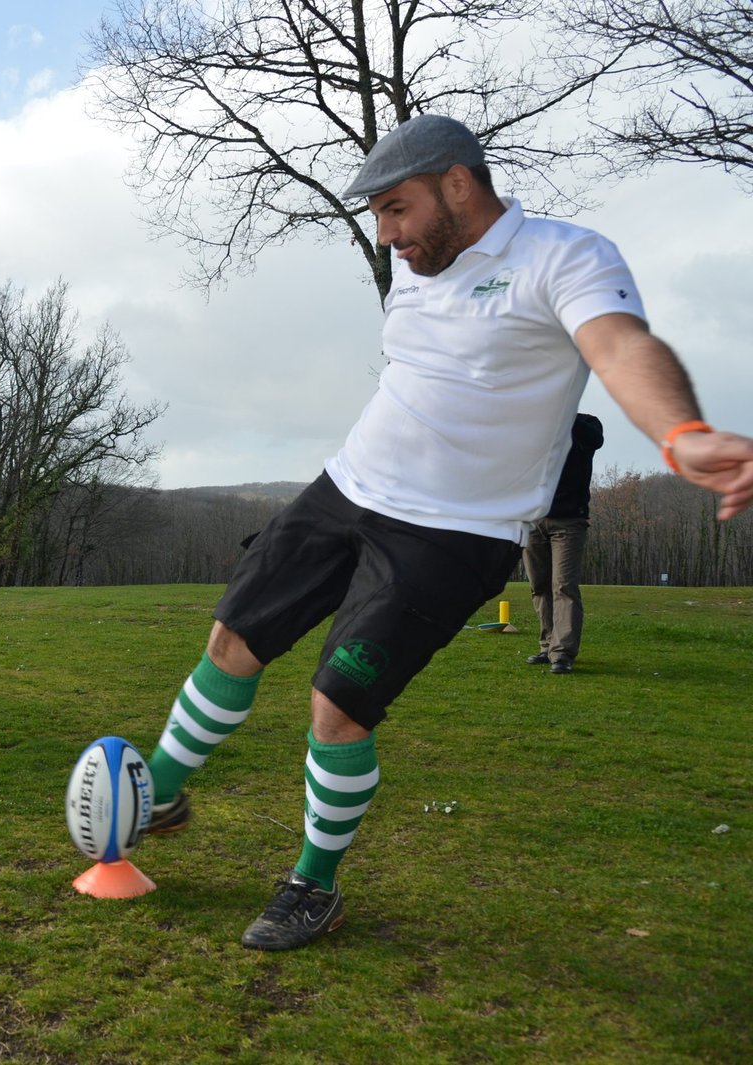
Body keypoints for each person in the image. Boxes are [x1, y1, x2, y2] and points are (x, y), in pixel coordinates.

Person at [139, 114, 753, 951]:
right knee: (232, 639)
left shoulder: (565, 258)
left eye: (397, 210)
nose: (388, 235)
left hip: (452, 532)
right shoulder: (419, 269)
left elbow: (618, 348)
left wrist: (681, 433)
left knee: (337, 707)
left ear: (459, 184)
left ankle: (312, 884)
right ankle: (161, 793)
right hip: (345, 488)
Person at [525, 413, 604, 674]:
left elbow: (595, 440)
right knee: (539, 586)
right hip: (533, 520)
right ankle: (548, 646)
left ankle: (563, 653)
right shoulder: (535, 426)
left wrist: (564, 412)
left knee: (564, 586)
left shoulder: (586, 425)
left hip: (569, 522)